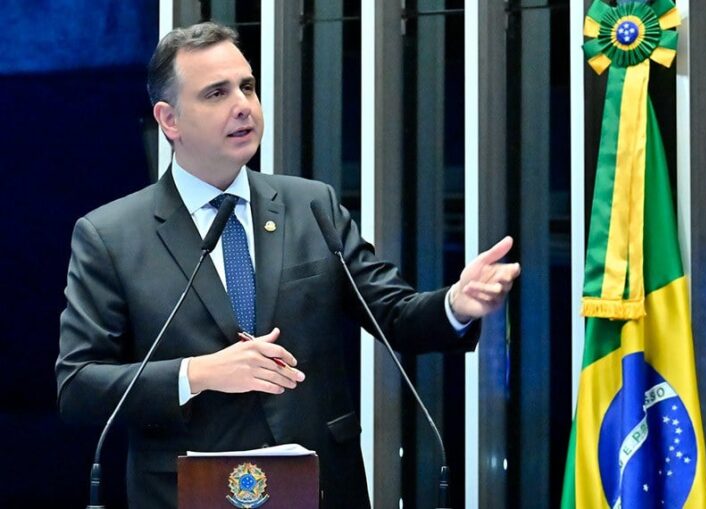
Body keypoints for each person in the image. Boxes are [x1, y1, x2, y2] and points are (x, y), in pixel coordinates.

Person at [55, 22, 520, 509]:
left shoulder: (311, 206)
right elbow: (79, 386)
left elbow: (394, 314)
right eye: (216, 93)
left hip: (320, 487)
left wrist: (456, 304)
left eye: (247, 86)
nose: (243, 105)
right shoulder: (111, 236)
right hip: (183, 492)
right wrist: (197, 373)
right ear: (169, 119)